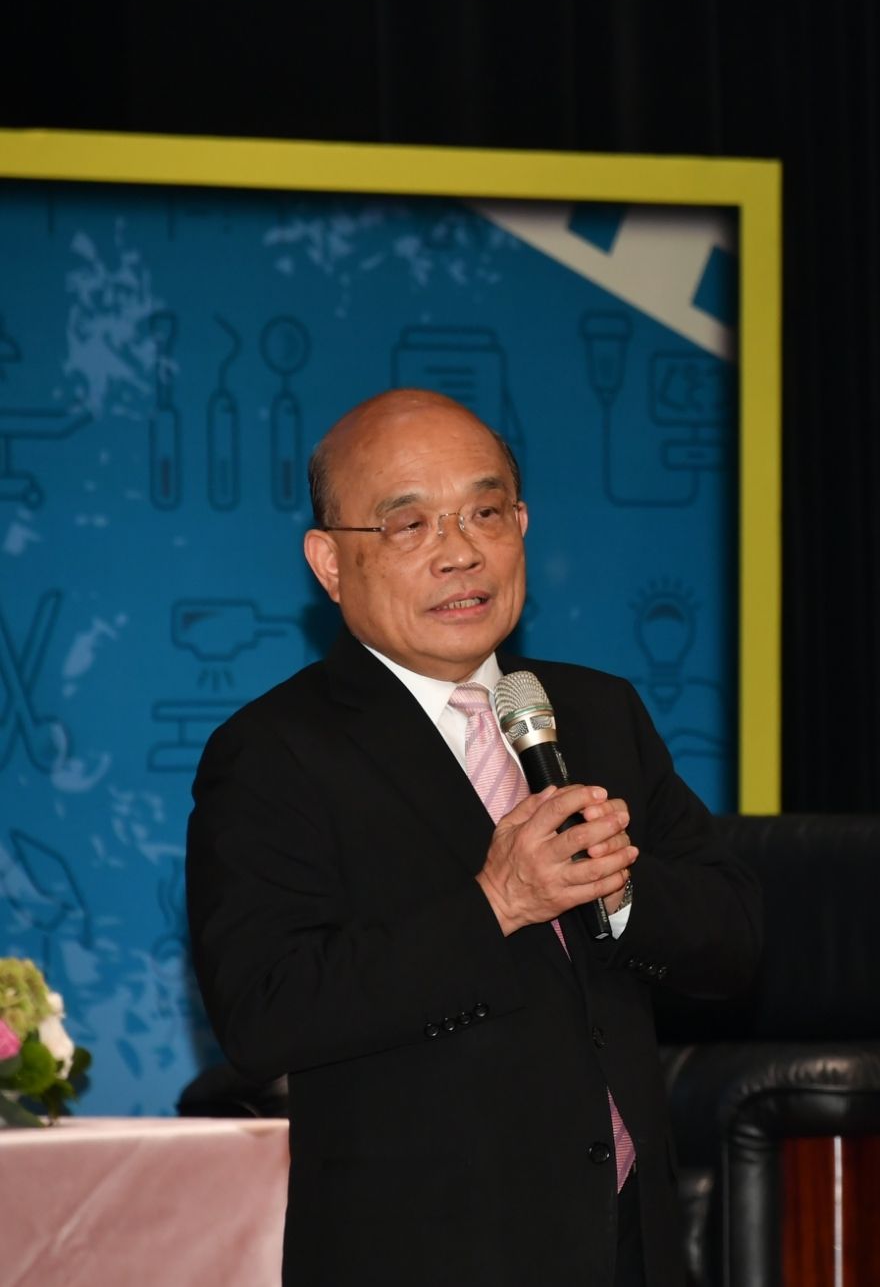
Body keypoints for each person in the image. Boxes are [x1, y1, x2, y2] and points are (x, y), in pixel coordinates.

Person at [186, 389, 761, 1286]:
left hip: (630, 1244)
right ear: (330, 562)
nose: (460, 551)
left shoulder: (597, 711)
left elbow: (736, 940)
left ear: (521, 526)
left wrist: (622, 891)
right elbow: (266, 1012)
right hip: (428, 1252)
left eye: (485, 513)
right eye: (409, 524)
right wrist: (496, 904)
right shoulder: (273, 753)